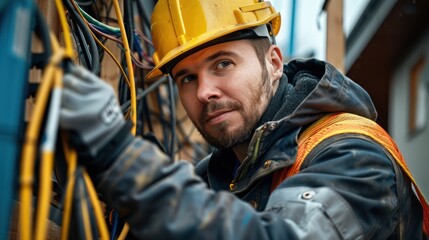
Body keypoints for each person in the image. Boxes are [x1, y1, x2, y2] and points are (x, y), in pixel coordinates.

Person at [59, 0, 427, 239]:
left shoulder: (355, 157)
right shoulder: (220, 176)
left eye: (223, 64)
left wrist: (124, 161)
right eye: (187, 78)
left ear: (274, 63)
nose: (204, 91)